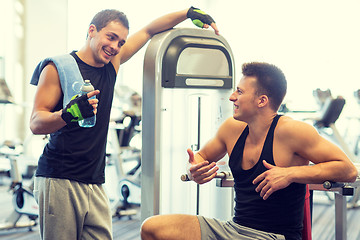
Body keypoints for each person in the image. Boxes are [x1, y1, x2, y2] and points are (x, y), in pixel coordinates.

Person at [29, 6, 219, 240]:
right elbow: (36, 123)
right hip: (59, 179)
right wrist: (67, 114)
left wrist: (189, 12)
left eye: (121, 42)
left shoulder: (112, 63)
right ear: (92, 31)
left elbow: (150, 29)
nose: (115, 46)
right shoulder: (57, 67)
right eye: (110, 37)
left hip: (95, 181)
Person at [140, 62, 358, 240]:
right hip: (233, 230)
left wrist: (290, 174)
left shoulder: (292, 131)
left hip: (274, 236)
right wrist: (193, 169)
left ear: (262, 100)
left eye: (240, 92)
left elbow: (348, 170)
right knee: (153, 228)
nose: (232, 97)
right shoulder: (231, 129)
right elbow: (201, 157)